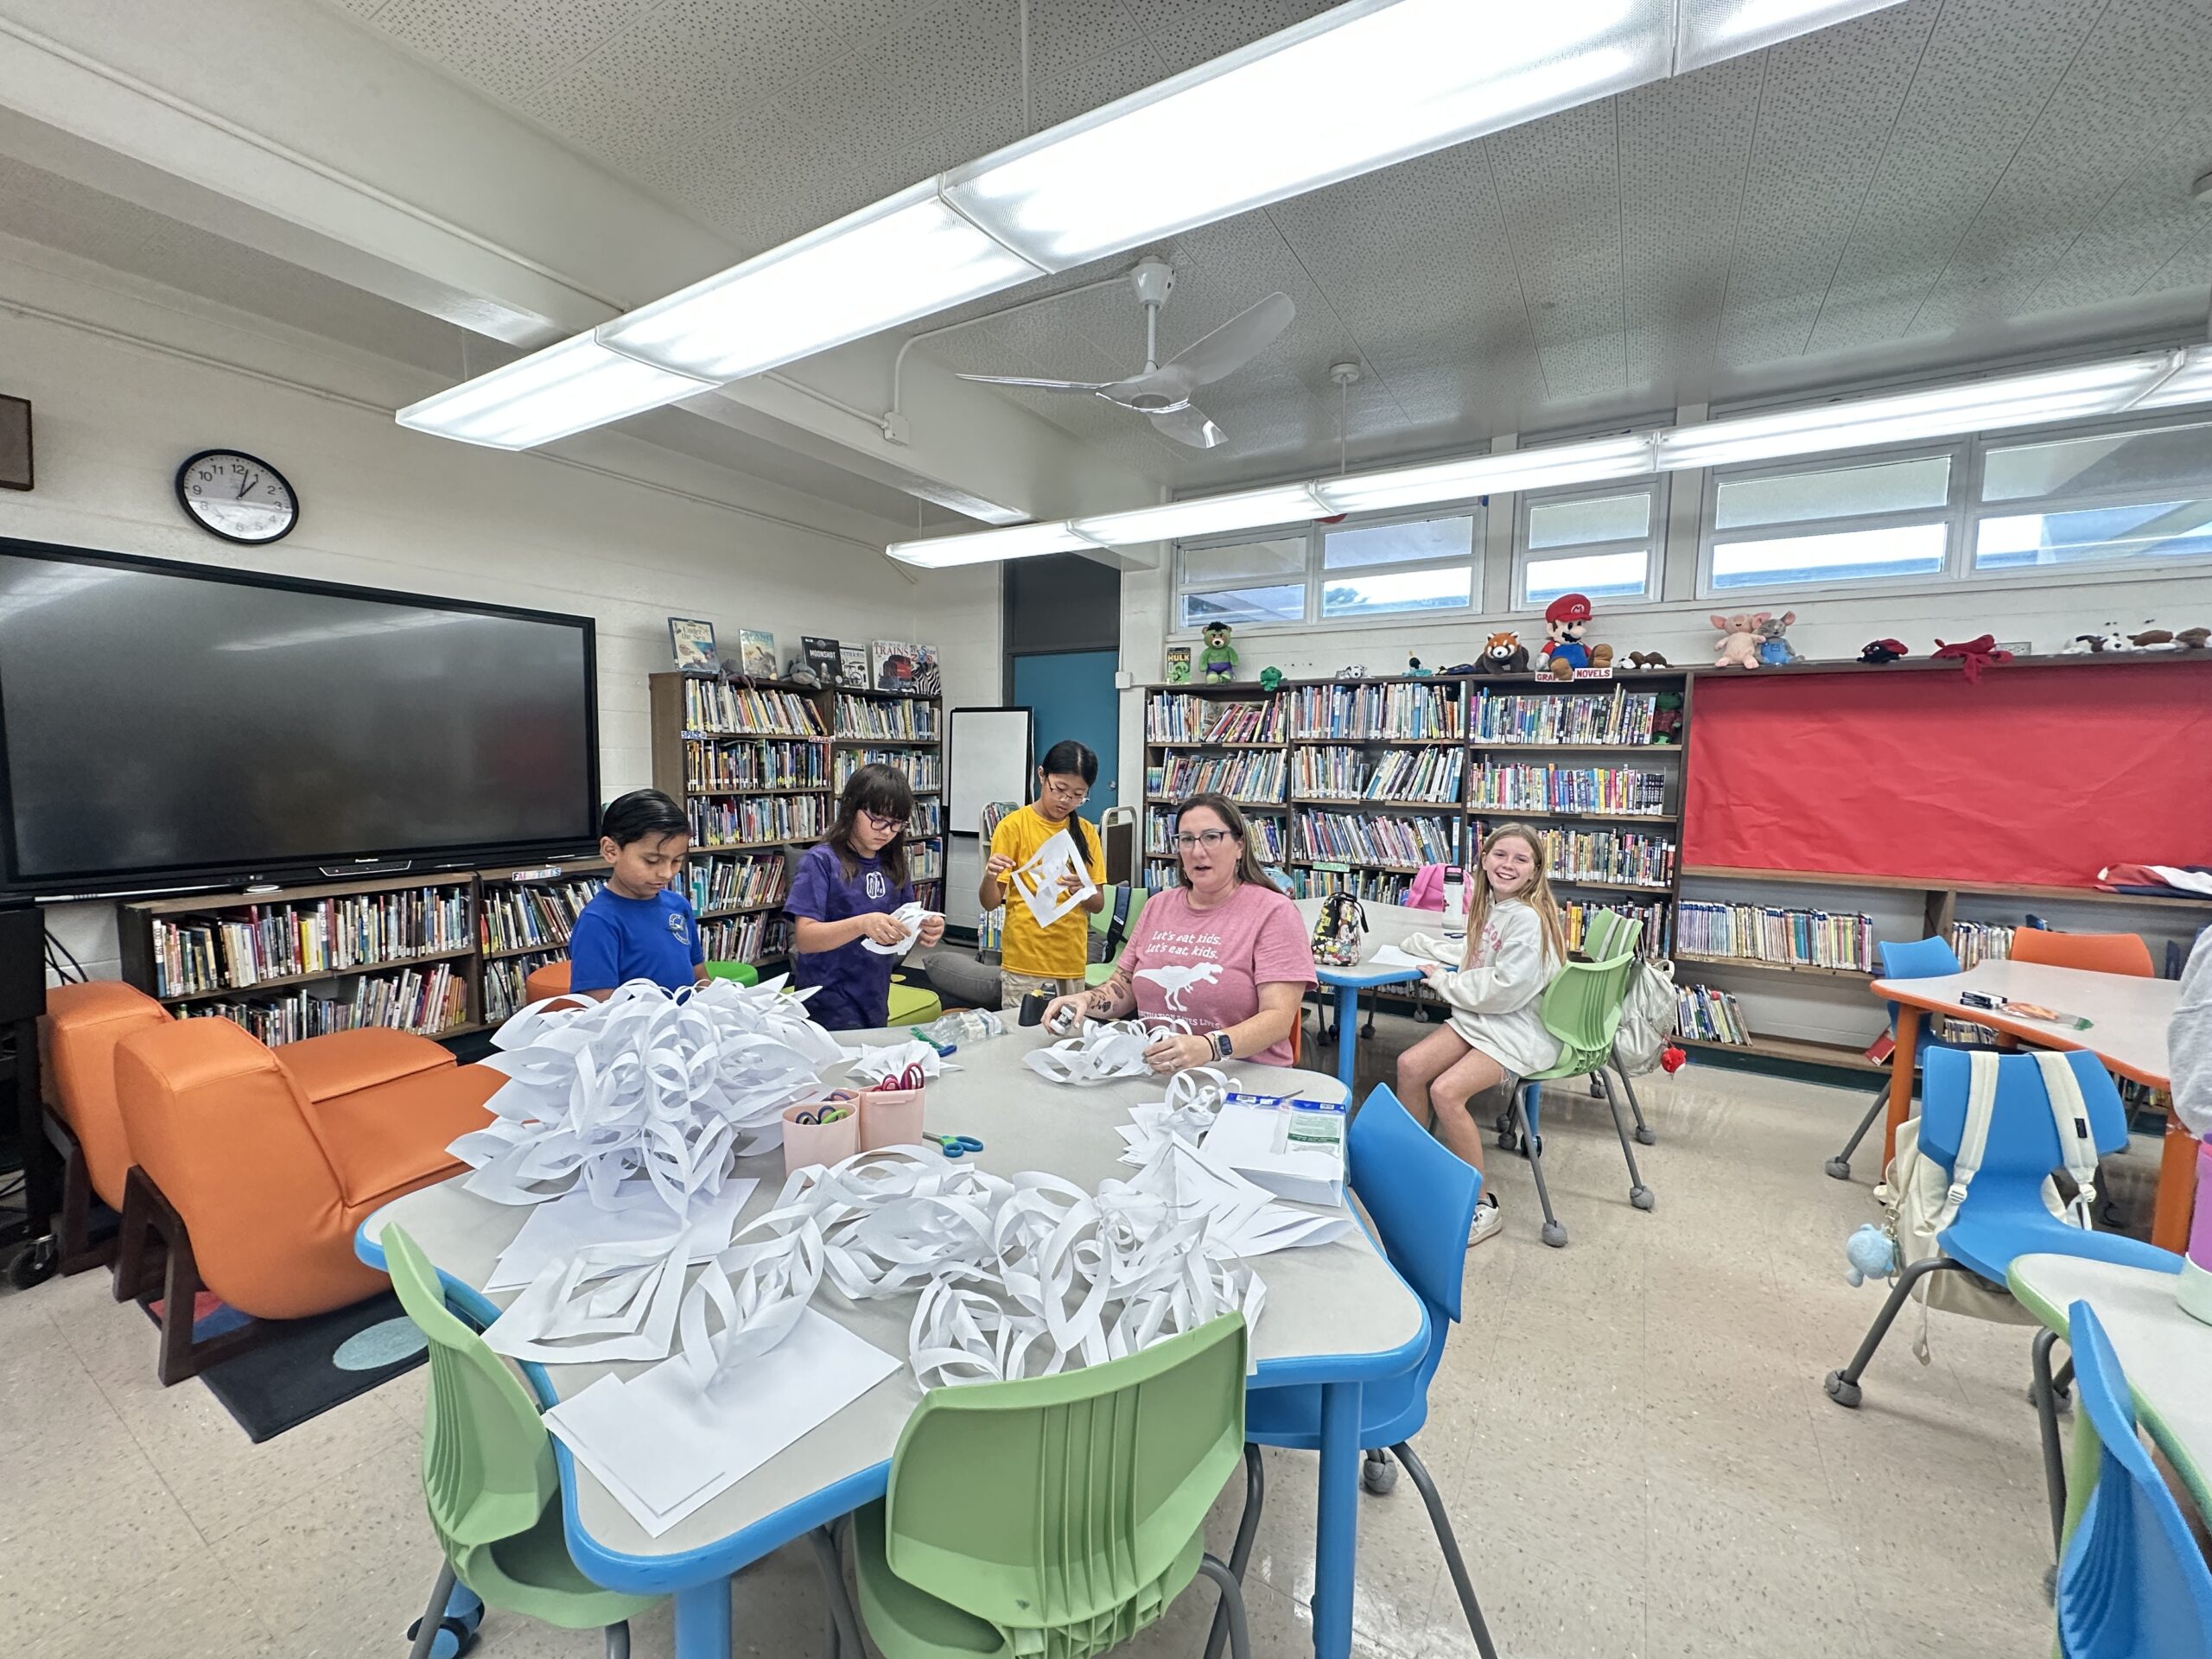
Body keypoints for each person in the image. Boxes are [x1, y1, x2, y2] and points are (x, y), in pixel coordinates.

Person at [1045, 792, 1314, 1072]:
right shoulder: (1158, 906)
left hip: (1243, 1077)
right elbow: (1123, 987)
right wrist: (1084, 1000)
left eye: (1211, 837)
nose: (1197, 851)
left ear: (1239, 845)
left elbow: (1278, 1019)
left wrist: (1210, 1046)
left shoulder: (1274, 912)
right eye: (1186, 839)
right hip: (1159, 1072)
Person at [1394, 822, 1567, 1246]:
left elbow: (1505, 989)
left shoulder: (1528, 919)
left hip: (1517, 1030)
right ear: (1484, 859)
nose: (1508, 865)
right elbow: (1476, 953)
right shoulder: (1494, 905)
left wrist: (1444, 983)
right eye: (1500, 855)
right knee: (1410, 1065)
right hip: (1484, 1019)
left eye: (1521, 859)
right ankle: (1418, 1168)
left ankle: (1482, 1205)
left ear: (1535, 870)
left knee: (1446, 1092)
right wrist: (1429, 949)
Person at [788, 763, 944, 1029]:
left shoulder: (892, 862)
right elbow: (805, 938)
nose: (886, 831)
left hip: (873, 996)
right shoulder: (821, 861)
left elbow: (904, 919)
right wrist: (862, 924)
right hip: (825, 1001)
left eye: (896, 824)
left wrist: (924, 926)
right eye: (877, 819)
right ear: (851, 809)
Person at [979, 740, 1108, 1012]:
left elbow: (1098, 904)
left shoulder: (1087, 832)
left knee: (1067, 1032)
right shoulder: (1013, 826)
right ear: (1042, 775)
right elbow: (990, 903)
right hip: (1025, 959)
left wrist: (1083, 890)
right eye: (1059, 789)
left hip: (1070, 959)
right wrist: (990, 876)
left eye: (1078, 794)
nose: (1066, 800)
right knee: (1021, 1031)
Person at [568, 788, 710, 997]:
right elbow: (601, 1007)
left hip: (688, 1017)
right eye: (652, 861)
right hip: (635, 1020)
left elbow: (699, 974)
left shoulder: (679, 905)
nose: (666, 873)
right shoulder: (598, 922)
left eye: (676, 861)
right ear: (611, 850)